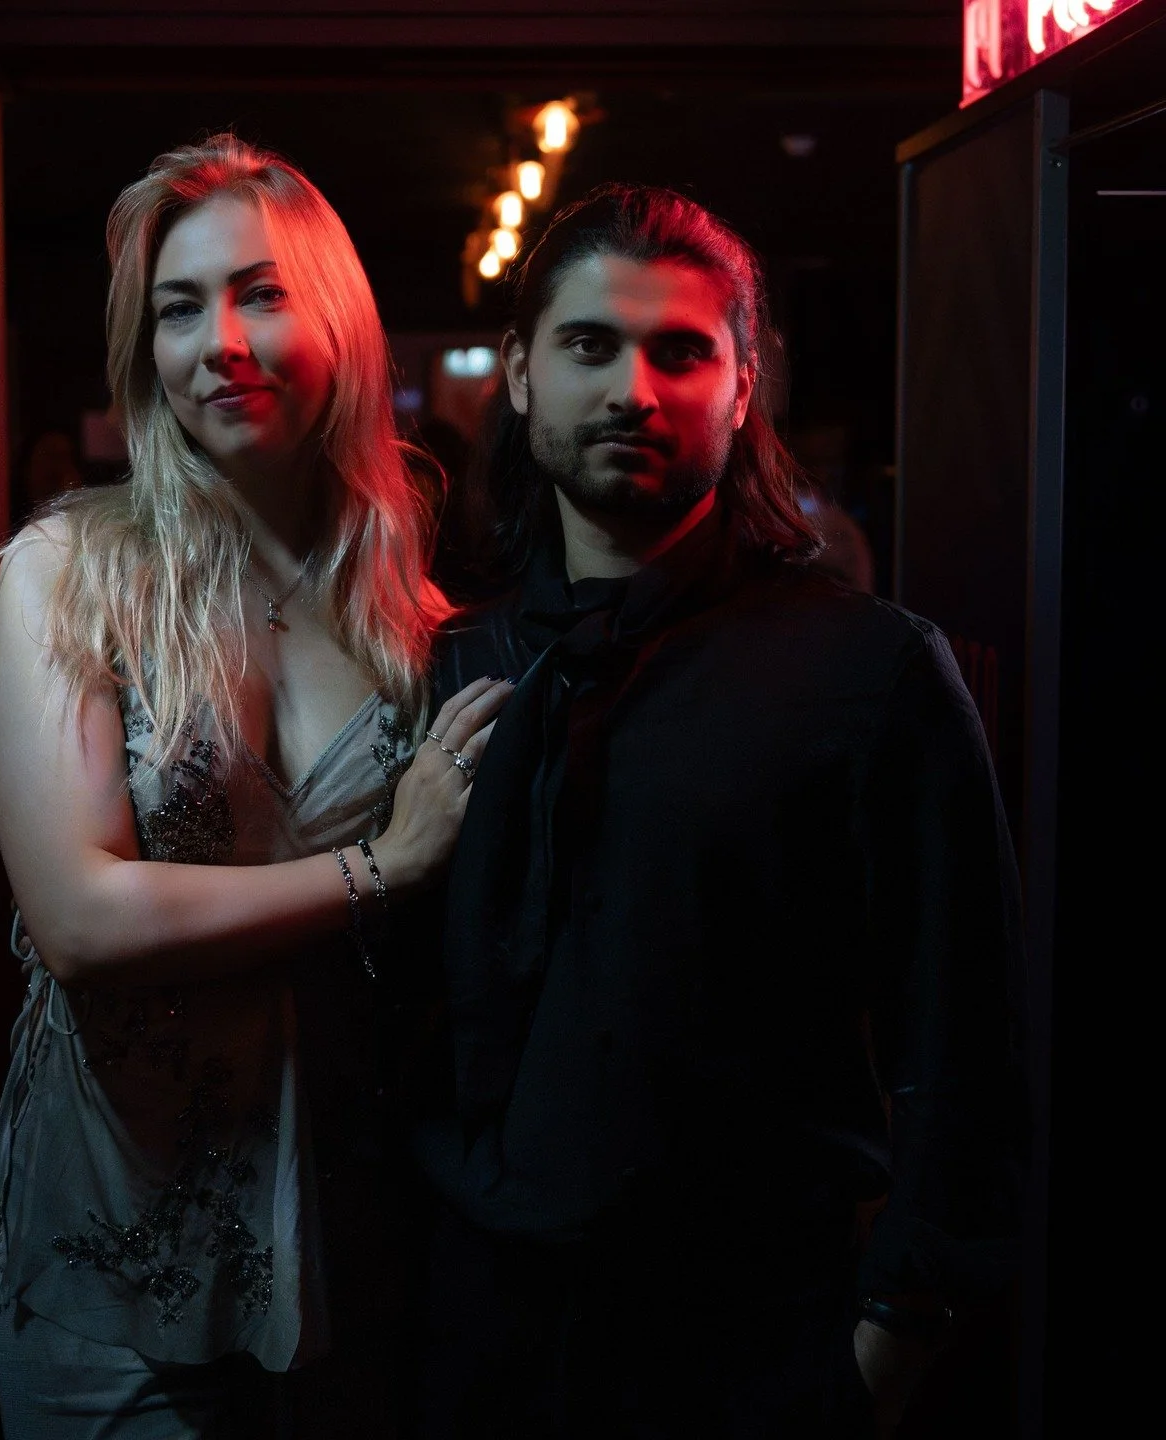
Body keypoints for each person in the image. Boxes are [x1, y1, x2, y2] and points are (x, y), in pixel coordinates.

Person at [410, 184, 1026, 1439]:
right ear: (520, 374)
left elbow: (968, 1038)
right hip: (485, 1336)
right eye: (591, 345)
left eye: (681, 352)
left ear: (745, 385)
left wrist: (888, 1343)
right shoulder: (458, 660)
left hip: (754, 1347)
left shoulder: (871, 671)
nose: (633, 391)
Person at [0, 134, 513, 1439]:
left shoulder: (404, 617)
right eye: (179, 309)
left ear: (338, 323)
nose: (217, 342)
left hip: (352, 1226)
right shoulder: (74, 569)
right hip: (123, 1251)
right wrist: (381, 866)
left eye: (260, 295)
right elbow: (79, 918)